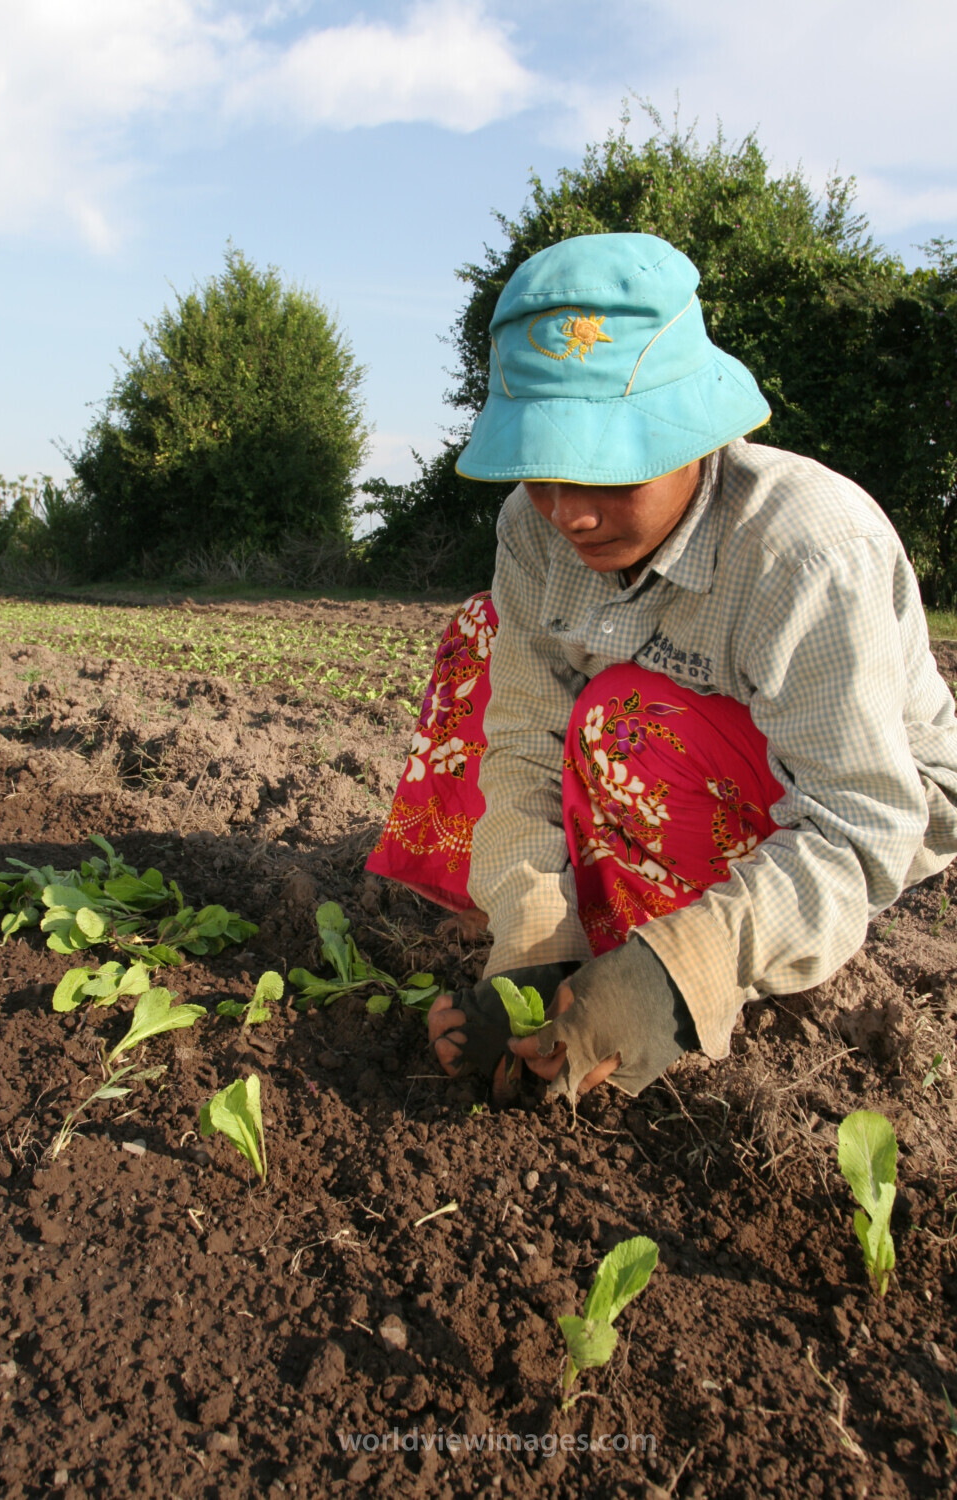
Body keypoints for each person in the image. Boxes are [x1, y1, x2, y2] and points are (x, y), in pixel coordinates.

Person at [366, 232, 957, 1101]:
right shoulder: (532, 535)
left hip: (854, 812)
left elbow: (860, 817)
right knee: (478, 646)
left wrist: (672, 981)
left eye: (603, 471)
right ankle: (587, 953)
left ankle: (677, 953)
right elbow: (525, 737)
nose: (569, 513)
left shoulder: (805, 549)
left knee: (622, 721)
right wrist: (534, 953)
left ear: (693, 433)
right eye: (540, 471)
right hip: (676, 774)